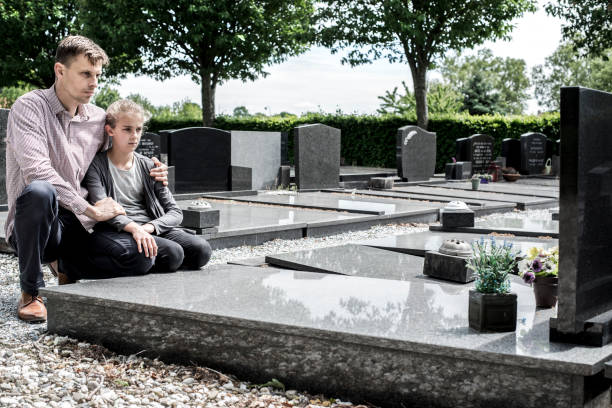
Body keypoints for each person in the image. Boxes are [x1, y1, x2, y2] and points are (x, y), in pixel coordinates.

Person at [5, 35, 167, 323]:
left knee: (141, 258)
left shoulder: (98, 118)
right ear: (60, 70)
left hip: (80, 226)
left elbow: (116, 159)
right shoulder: (29, 107)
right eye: (85, 74)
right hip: (39, 225)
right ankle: (31, 291)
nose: (94, 83)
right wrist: (89, 208)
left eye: (97, 75)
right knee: (41, 191)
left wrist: (151, 170)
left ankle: (67, 267)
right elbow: (37, 170)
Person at [84, 99, 212, 274]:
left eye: (138, 129)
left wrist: (148, 228)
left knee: (201, 250)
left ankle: (153, 262)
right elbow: (103, 210)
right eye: (127, 129)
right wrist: (135, 229)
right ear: (110, 130)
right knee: (173, 254)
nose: (135, 135)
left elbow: (175, 212)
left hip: (150, 226)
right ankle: (147, 262)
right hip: (119, 230)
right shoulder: (96, 166)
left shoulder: (149, 166)